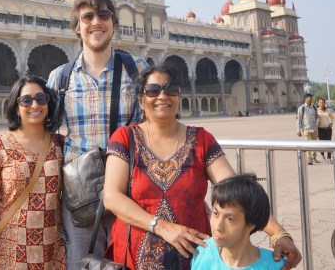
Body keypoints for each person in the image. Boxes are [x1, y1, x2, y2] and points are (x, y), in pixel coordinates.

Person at [103, 64, 301, 269]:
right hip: (132, 257)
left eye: (170, 89)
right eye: (153, 90)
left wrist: (279, 234)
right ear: (141, 100)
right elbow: (112, 197)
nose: (163, 96)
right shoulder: (126, 138)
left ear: (178, 95)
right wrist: (161, 227)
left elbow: (238, 195)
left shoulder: (200, 140)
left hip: (196, 259)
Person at [47, 0, 148, 269]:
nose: (96, 22)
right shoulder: (61, 77)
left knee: (131, 261)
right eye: (87, 17)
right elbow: (43, 133)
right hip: (79, 194)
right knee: (81, 263)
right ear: (77, 26)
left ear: (114, 23)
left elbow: (155, 129)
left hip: (128, 187)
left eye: (104, 15)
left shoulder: (136, 69)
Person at [0, 75, 66, 269]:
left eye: (41, 98)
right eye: (26, 100)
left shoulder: (60, 145)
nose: (35, 105)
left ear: (49, 103)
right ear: (16, 107)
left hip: (52, 250)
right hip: (11, 251)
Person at [191, 173, 287, 269]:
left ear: (250, 224)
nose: (217, 227)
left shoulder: (274, 266)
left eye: (230, 219)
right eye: (216, 213)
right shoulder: (203, 252)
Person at [297, 92, 319, 165]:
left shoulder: (314, 107)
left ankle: (314, 157)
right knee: (307, 144)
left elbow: (317, 116)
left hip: (314, 128)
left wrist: (318, 121)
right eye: (310, 98)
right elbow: (299, 119)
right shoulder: (301, 108)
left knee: (314, 144)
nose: (312, 99)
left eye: (312, 98)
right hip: (305, 129)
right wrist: (298, 130)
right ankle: (309, 158)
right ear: (306, 99)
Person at [316, 98, 335, 163]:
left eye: (322, 102)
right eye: (320, 102)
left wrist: (331, 123)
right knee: (321, 143)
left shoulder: (328, 110)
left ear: (325, 103)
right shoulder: (316, 110)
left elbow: (332, 117)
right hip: (319, 129)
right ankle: (322, 155)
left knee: (329, 143)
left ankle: (329, 157)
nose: (321, 103)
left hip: (327, 129)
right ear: (318, 103)